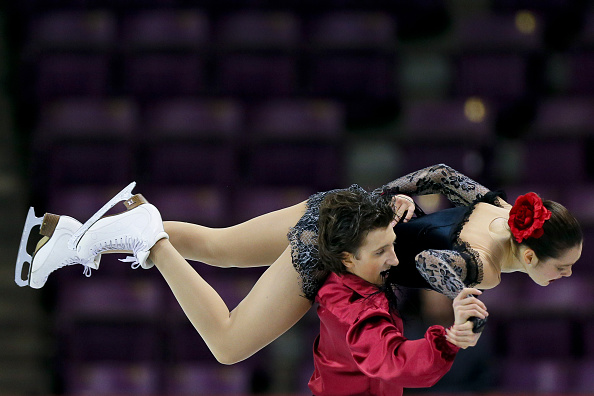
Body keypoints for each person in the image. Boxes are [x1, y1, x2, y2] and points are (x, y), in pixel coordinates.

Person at [16, 164, 582, 364]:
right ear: (529, 254)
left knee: (215, 244)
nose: (568, 277)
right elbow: (434, 258)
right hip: (335, 250)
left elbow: (435, 174)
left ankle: (67, 235)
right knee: (228, 343)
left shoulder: (502, 209)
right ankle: (151, 240)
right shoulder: (483, 263)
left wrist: (386, 199)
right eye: (562, 268)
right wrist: (459, 294)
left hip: (341, 210)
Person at [308, 188, 486, 394]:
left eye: (391, 244)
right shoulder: (355, 313)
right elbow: (396, 361)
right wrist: (450, 341)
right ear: (347, 258)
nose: (395, 259)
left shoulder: (346, 264)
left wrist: (392, 200)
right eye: (380, 252)